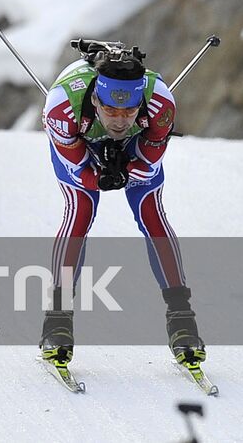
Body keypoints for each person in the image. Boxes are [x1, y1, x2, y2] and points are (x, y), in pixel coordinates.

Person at [39, 41, 206, 370]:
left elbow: (148, 163)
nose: (118, 121)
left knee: (152, 215)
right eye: (111, 110)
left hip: (136, 144)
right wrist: (97, 178)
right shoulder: (62, 106)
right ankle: (57, 321)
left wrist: (126, 171)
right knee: (79, 214)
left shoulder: (160, 104)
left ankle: (183, 321)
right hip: (81, 142)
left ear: (139, 103)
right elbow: (76, 167)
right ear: (96, 100)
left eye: (128, 111)